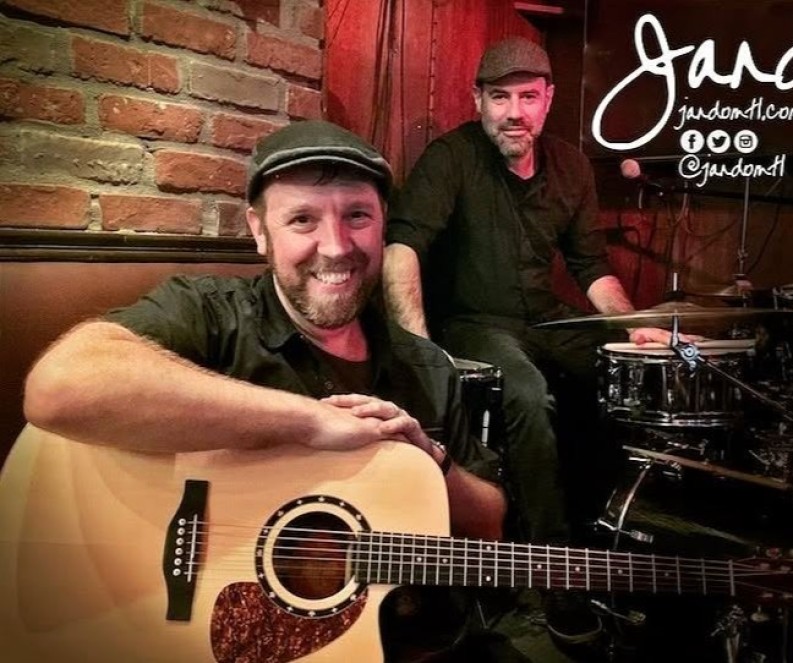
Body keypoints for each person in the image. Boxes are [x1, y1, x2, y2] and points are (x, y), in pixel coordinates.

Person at [23, 120, 514, 661]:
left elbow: (488, 526)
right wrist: (311, 421)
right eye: (303, 219)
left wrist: (430, 458)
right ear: (259, 231)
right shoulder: (212, 315)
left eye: (358, 215)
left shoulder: (427, 367)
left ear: (383, 225)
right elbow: (59, 387)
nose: (336, 246)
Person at [382, 36, 677, 647]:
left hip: (545, 318)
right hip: (472, 319)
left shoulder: (570, 166)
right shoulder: (451, 157)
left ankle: (618, 533)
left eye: (527, 97)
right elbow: (402, 246)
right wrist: (418, 351)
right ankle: (555, 571)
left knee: (626, 375)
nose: (514, 112)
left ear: (548, 100)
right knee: (527, 393)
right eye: (500, 97)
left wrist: (631, 326)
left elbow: (591, 266)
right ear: (478, 100)